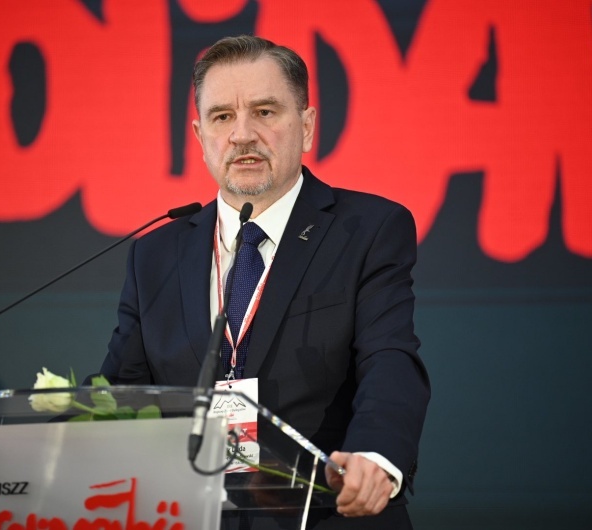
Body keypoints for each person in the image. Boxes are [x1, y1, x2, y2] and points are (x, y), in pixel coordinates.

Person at [98, 35, 430, 528]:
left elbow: (390, 358)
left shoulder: (367, 229)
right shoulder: (155, 254)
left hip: (325, 513)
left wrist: (375, 455)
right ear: (200, 136)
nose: (242, 135)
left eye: (265, 112)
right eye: (222, 117)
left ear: (307, 126)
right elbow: (122, 393)